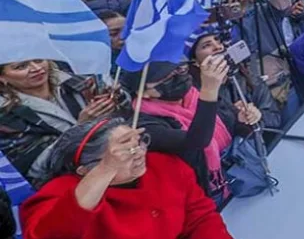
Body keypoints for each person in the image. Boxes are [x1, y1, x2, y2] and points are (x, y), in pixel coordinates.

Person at [19, 117, 233, 239]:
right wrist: (106, 170)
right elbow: (48, 234)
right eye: (124, 152)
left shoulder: (164, 165)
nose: (139, 153)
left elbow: (201, 217)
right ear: (84, 170)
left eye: (139, 142)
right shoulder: (60, 194)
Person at [122, 59, 259, 205]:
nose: (179, 76)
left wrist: (246, 118)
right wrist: (209, 91)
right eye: (167, 77)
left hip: (242, 174)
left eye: (180, 69)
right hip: (206, 196)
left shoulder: (194, 93)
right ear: (143, 92)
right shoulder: (144, 125)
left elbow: (232, 124)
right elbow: (196, 141)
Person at [0, 59, 116, 181]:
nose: (36, 68)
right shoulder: (6, 116)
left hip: (113, 165)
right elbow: (36, 167)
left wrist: (115, 97)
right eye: (21, 67)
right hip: (67, 183)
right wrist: (80, 128)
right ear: (2, 77)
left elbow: (126, 114)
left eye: (39, 60)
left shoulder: (75, 81)